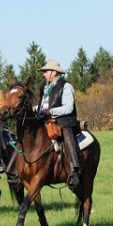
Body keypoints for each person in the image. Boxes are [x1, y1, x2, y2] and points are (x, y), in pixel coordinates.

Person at [36, 59, 81, 189]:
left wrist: (51, 111)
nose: (43, 74)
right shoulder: (45, 88)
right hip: (46, 121)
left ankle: (74, 171)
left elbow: (68, 108)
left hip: (63, 122)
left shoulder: (66, 86)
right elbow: (42, 106)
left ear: (54, 72)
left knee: (68, 136)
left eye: (45, 72)